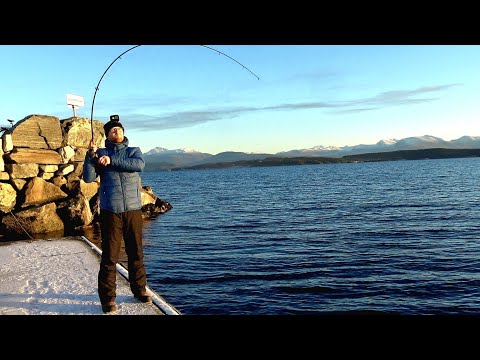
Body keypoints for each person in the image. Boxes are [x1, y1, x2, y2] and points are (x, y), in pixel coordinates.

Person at [83, 115, 152, 313]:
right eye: (113, 130)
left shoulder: (133, 152)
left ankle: (139, 290)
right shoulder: (100, 153)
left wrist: (111, 160)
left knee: (136, 252)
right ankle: (108, 299)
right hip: (110, 212)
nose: (117, 132)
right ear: (107, 135)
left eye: (120, 130)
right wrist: (90, 156)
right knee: (110, 257)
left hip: (133, 211)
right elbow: (88, 178)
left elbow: (138, 165)